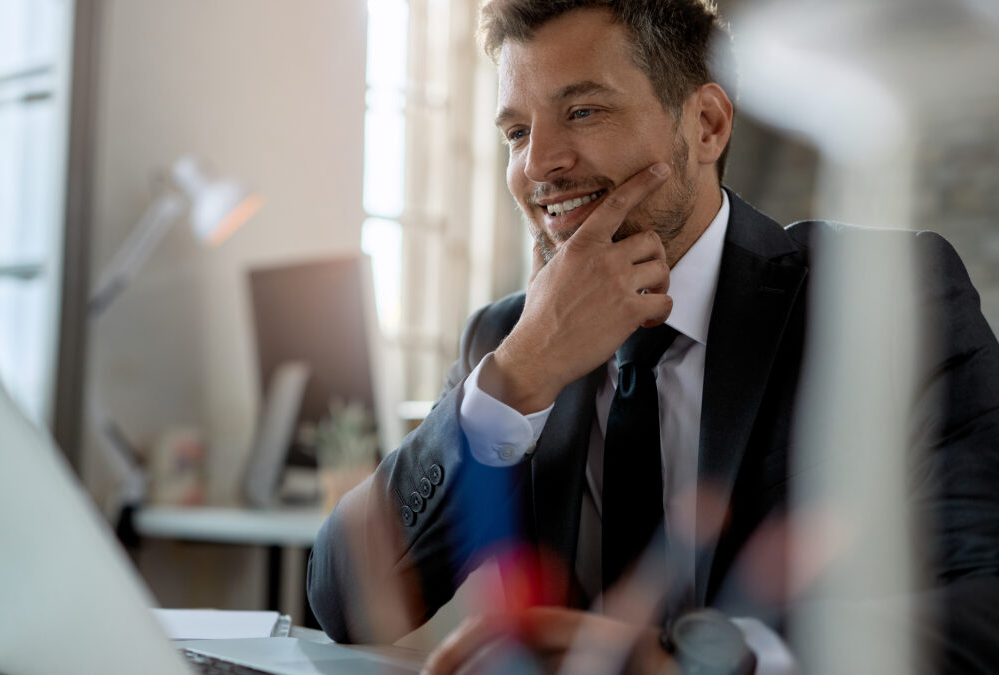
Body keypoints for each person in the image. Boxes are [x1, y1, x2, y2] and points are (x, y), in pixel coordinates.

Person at [307, 1, 999, 672]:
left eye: (582, 111)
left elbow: (985, 594)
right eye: (517, 132)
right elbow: (347, 601)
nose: (539, 164)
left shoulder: (886, 295)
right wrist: (518, 374)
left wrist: (698, 659)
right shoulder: (511, 338)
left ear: (706, 124)